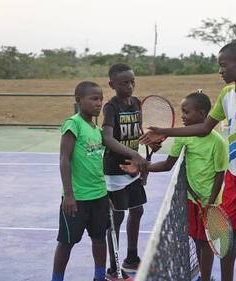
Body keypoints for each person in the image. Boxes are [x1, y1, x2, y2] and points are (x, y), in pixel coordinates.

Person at [140, 41, 236, 281]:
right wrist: (165, 131)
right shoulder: (226, 94)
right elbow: (203, 128)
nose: (220, 71)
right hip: (233, 179)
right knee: (227, 236)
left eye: (224, 65)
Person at [121, 92, 228, 281]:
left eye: (186, 112)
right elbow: (167, 165)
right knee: (196, 240)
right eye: (182, 112)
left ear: (202, 114)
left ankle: (205, 278)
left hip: (210, 203)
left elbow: (220, 174)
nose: (183, 116)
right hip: (190, 200)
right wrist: (141, 168)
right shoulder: (182, 138)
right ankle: (204, 274)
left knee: (206, 242)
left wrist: (210, 204)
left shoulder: (218, 142)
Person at [51, 81, 108, 281]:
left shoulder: (95, 128)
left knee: (100, 239)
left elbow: (97, 161)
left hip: (99, 195)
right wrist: (69, 194)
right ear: (79, 100)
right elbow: (64, 158)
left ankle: (99, 277)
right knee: (67, 242)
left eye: (101, 98)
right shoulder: (73, 123)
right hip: (77, 198)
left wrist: (105, 192)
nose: (99, 103)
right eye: (94, 99)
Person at [102, 63, 149, 280]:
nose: (129, 86)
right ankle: (113, 268)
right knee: (116, 219)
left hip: (133, 171)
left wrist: (147, 151)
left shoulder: (136, 103)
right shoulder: (111, 107)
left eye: (132, 81)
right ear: (113, 85)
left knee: (137, 211)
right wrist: (134, 155)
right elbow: (107, 138)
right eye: (124, 83)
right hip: (115, 172)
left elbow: (139, 133)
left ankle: (132, 257)